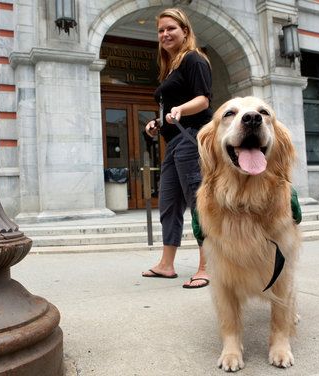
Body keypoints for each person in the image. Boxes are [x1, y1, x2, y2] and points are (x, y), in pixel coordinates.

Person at [141, 8, 212, 289]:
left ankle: (207, 265)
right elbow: (173, 106)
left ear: (185, 31)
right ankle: (166, 264)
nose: (165, 34)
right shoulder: (170, 67)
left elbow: (204, 100)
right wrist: (156, 123)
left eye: (171, 28)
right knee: (168, 204)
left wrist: (180, 110)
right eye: (160, 30)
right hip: (173, 142)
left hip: (192, 138)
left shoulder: (195, 59)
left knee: (198, 203)